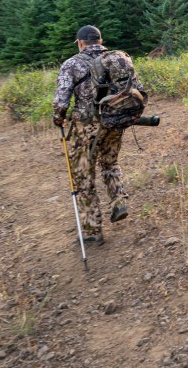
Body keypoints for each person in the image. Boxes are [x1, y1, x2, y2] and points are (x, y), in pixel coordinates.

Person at [52, 25, 131, 245]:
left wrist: (58, 118)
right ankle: (119, 200)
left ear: (79, 43)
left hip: (85, 127)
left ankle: (92, 230)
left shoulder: (71, 64)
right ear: (100, 40)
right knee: (110, 163)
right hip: (114, 122)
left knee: (84, 177)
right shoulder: (117, 59)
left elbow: (61, 100)